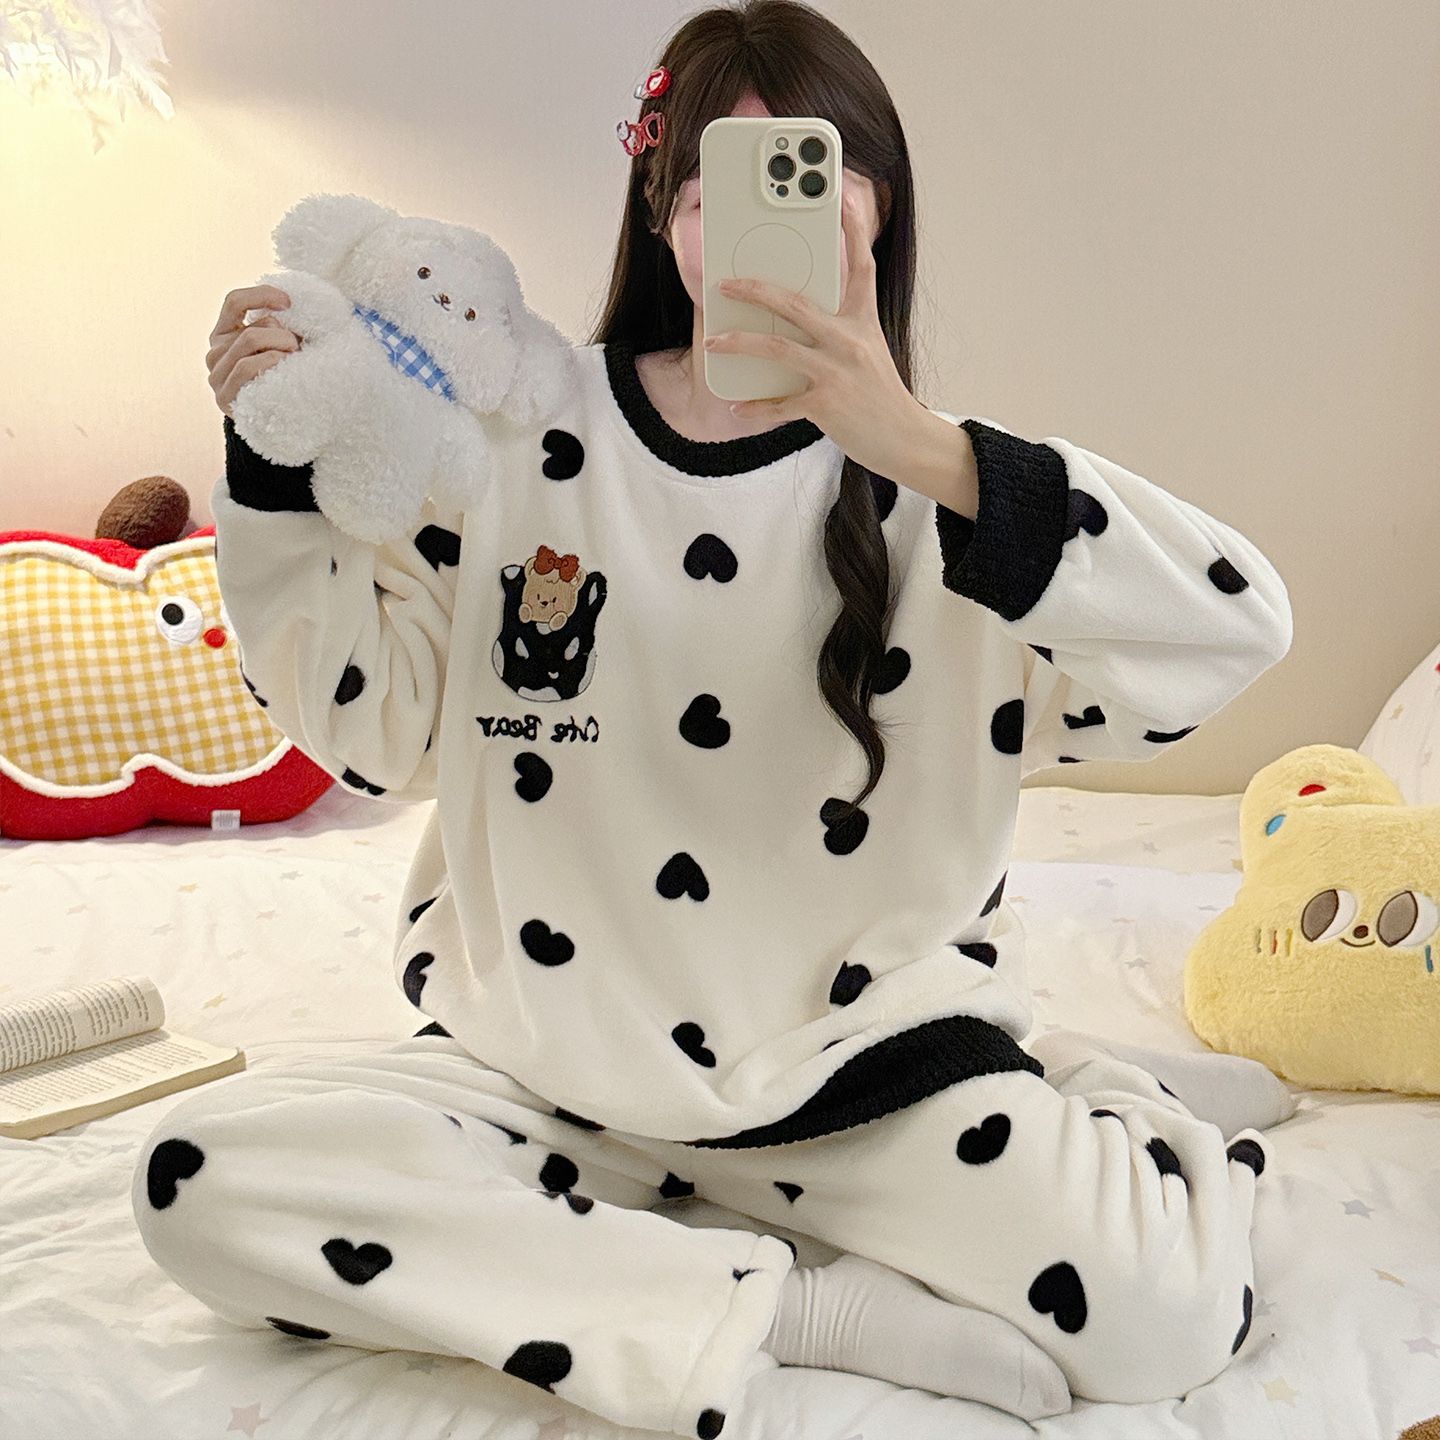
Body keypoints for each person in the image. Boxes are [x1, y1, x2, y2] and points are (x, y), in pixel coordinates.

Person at [133, 2, 1298, 1435]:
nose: (748, 221)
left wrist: (921, 448)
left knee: (1170, 1313)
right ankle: (776, 1306)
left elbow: (1234, 632)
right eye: (709, 185)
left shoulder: (950, 492)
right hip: (541, 1067)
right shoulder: (519, 433)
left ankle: (1075, 1086)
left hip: (861, 1080)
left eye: (806, 173)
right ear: (660, 210)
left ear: (877, 207)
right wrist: (269, 468)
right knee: (202, 1180)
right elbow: (375, 732)